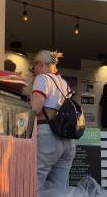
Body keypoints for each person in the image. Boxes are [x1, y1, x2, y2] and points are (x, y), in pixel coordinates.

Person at [30, 50, 75, 189]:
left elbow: (36, 108)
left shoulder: (43, 79)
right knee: (60, 188)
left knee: (34, 184)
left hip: (47, 136)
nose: (33, 71)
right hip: (67, 141)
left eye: (34, 67)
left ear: (41, 64)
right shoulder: (64, 83)